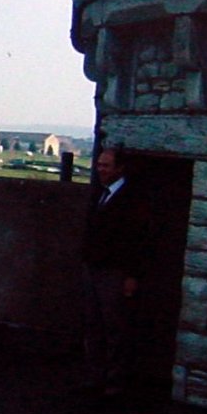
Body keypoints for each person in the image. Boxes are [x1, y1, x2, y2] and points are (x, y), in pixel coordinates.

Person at [78, 144, 149, 400]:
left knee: (115, 328)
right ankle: (95, 376)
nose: (100, 170)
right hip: (95, 268)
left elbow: (138, 240)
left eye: (106, 166)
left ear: (120, 169)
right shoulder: (102, 194)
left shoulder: (132, 199)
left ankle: (115, 382)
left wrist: (132, 276)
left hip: (115, 272)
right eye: (99, 165)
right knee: (94, 324)